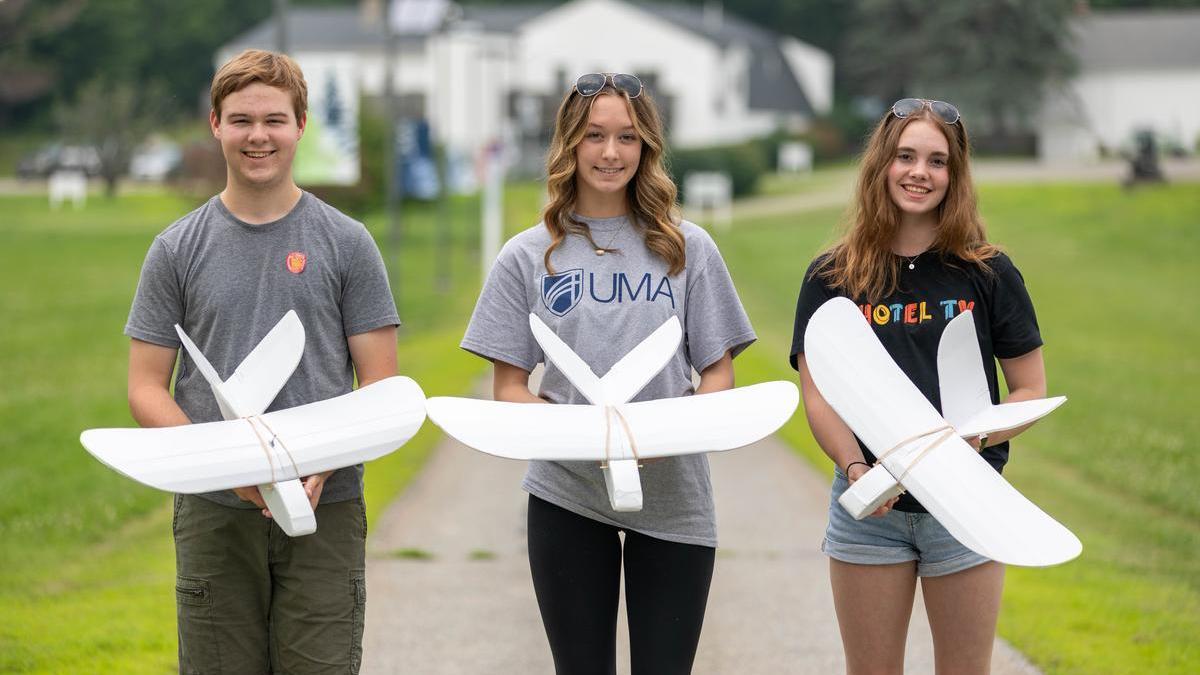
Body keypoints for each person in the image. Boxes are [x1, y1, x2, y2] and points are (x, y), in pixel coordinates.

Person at [460, 72, 755, 675]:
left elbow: (719, 374)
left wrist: (664, 434)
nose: (611, 153)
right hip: (567, 495)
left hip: (675, 497)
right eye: (594, 136)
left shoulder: (687, 248)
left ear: (647, 147)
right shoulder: (527, 254)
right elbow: (508, 389)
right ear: (569, 142)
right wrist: (587, 438)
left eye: (627, 137)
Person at [124, 49, 398, 673]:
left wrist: (321, 462)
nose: (258, 136)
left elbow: (381, 386)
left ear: (302, 126)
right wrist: (225, 466)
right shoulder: (176, 249)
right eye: (241, 120)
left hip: (324, 506)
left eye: (274, 120)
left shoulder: (347, 243)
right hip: (215, 514)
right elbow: (145, 388)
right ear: (215, 125)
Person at [789, 98, 1050, 674]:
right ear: (881, 164)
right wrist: (858, 472)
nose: (919, 173)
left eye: (937, 161)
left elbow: (1029, 388)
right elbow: (819, 393)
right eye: (905, 156)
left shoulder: (988, 272)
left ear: (954, 176)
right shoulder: (833, 276)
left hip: (965, 505)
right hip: (870, 514)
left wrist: (971, 443)